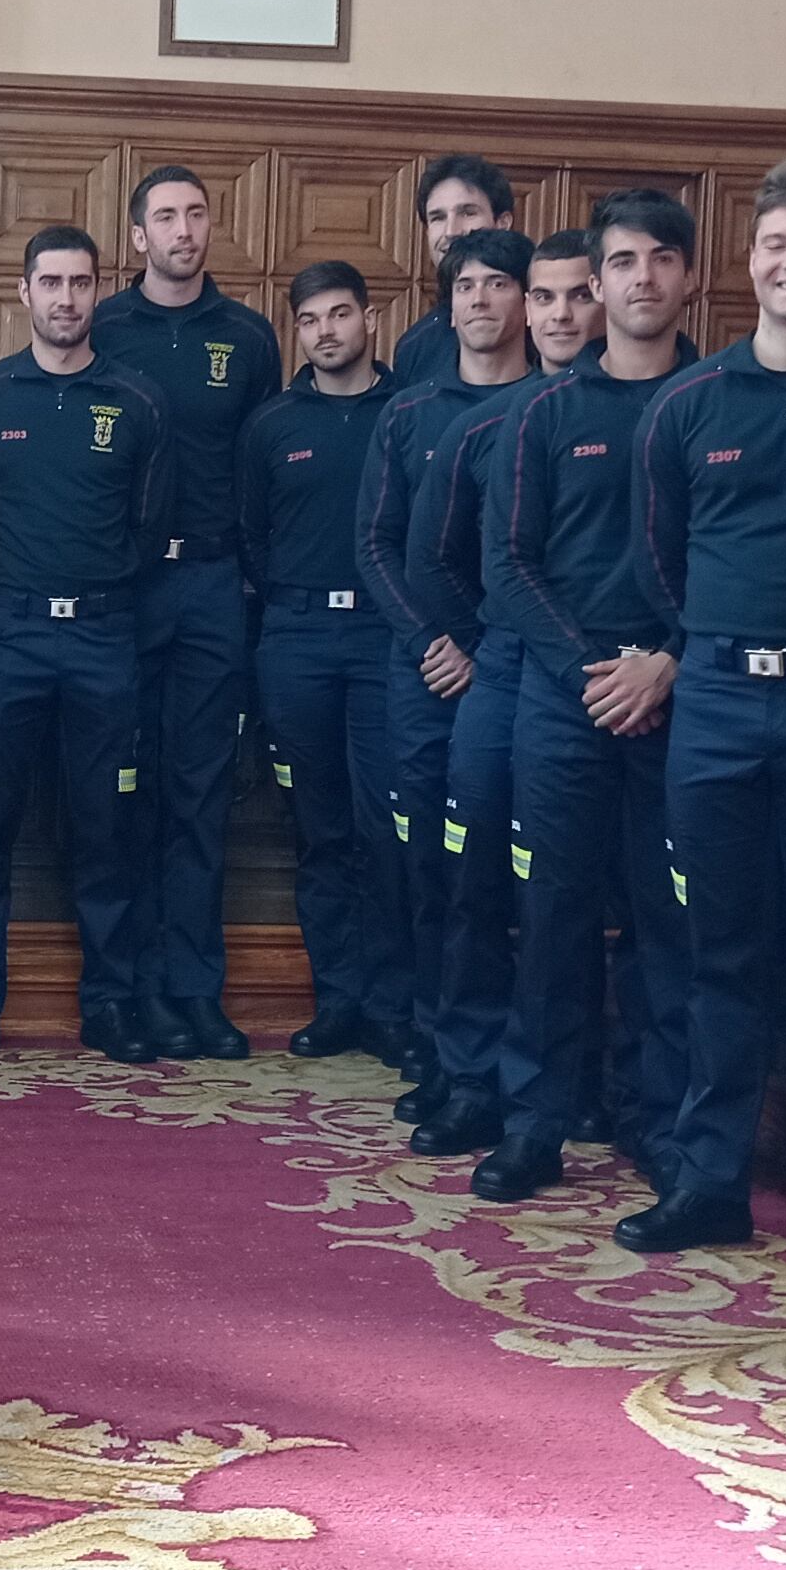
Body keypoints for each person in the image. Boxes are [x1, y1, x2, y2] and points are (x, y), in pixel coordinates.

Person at [626, 161, 786, 1263]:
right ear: (748, 262)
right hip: (718, 705)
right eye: (777, 244)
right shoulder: (688, 403)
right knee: (716, 950)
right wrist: (716, 653)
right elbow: (661, 557)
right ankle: (710, 1179)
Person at [477, 205, 700, 1200]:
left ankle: (655, 1118)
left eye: (659, 261)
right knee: (552, 912)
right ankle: (536, 1120)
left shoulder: (715, 400)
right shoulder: (541, 412)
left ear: (687, 277)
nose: (639, 279)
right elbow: (507, 565)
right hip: (564, 699)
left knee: (667, 919)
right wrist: (597, 673)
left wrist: (666, 663)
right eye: (620, 263)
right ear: (593, 287)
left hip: (681, 697)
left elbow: (743, 560)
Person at [0, 226, 162, 1063]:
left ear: (96, 291)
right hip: (12, 640)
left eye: (80, 283)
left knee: (108, 827)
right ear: (25, 294)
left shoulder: (136, 401)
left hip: (106, 638)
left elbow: (149, 527)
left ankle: (110, 1004)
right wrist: (4, 593)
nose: (66, 298)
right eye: (50, 283)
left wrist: (96, 595)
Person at [94, 164, 281, 1058]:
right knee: (124, 790)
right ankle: (128, 990)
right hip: (125, 591)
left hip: (212, 586)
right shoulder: (104, 327)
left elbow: (266, 463)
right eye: (164, 217)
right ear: (137, 237)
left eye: (196, 214)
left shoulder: (245, 337)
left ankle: (195, 990)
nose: (183, 230)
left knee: (201, 794)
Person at [361, 235, 537, 1113]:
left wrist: (490, 649)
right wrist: (435, 640)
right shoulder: (410, 411)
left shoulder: (552, 404)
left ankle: (525, 1056)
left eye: (498, 284)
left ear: (526, 300)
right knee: (435, 862)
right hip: (426, 669)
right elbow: (377, 542)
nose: (479, 300)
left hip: (525, 669)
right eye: (464, 285)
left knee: (522, 872)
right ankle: (441, 1042)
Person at [402, 230, 557, 1154]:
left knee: (565, 898)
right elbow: (433, 552)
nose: (561, 314)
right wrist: (469, 634)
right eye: (548, 297)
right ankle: (469, 1074)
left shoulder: (664, 406)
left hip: (631, 683)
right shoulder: (477, 424)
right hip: (501, 671)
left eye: (574, 295)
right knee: (473, 883)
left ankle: (563, 1086)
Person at [239, 263, 403, 1060]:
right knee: (320, 831)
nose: (328, 330)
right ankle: (338, 999)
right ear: (297, 331)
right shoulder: (272, 423)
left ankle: (394, 1006)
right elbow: (254, 537)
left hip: (386, 641)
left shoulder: (409, 410)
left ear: (370, 319)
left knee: (389, 830)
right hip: (296, 641)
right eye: (311, 319)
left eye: (342, 313)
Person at [393, 155, 517, 385]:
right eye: (438, 218)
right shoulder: (415, 347)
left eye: (467, 213)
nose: (451, 231)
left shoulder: (548, 324)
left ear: (503, 223)